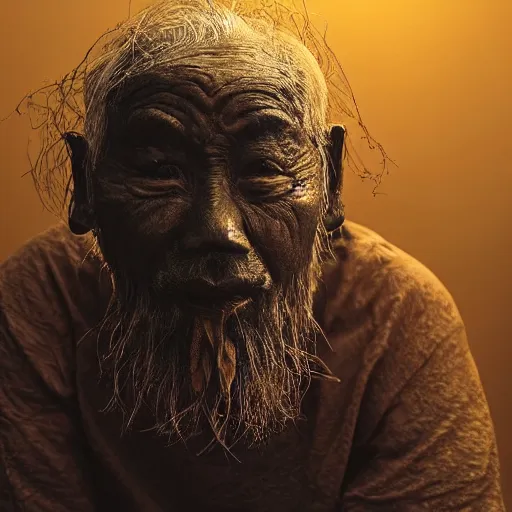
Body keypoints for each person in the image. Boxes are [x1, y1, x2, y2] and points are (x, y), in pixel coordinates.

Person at [0, 1, 505, 510]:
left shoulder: (395, 313)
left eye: (264, 168)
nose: (218, 231)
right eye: (159, 168)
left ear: (330, 185)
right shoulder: (41, 301)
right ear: (85, 184)